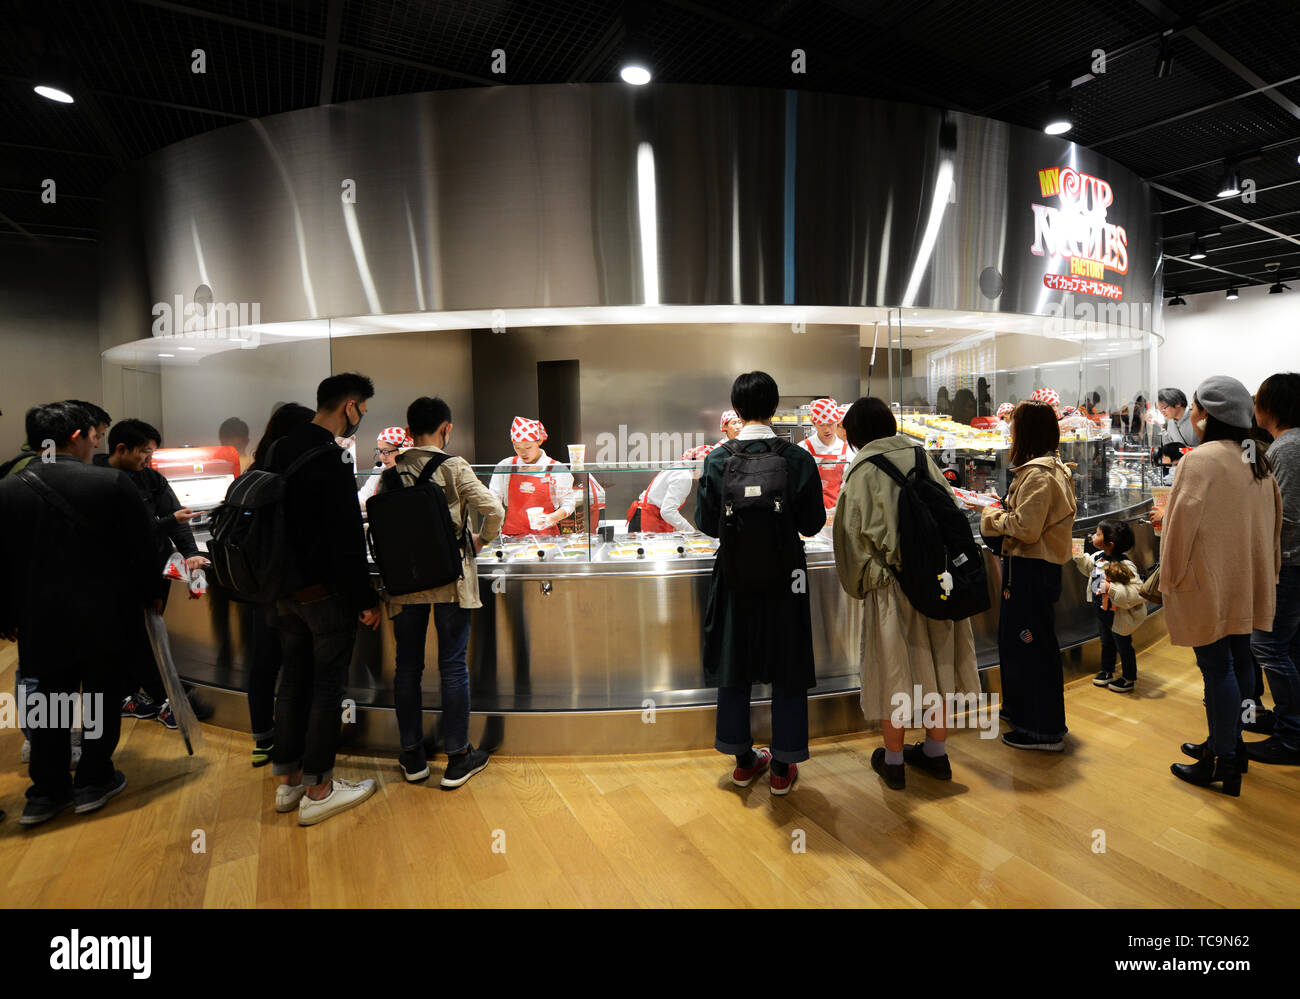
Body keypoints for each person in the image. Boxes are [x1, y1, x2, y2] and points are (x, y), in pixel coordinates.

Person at [0, 402, 157, 826]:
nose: (97, 444)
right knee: (102, 697)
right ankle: (93, 780)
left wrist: (7, 616)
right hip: (104, 615)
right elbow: (145, 553)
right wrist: (151, 600)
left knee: (47, 700)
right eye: (95, 436)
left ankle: (45, 793)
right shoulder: (111, 484)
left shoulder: (7, 490)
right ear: (77, 436)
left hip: (39, 619)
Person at [832, 397, 979, 790]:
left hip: (892, 587)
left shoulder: (861, 469)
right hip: (937, 579)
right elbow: (949, 506)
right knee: (940, 667)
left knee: (892, 671)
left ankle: (893, 761)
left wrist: (863, 581)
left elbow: (850, 539)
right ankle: (936, 754)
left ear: (855, 434)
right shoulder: (920, 454)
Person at [695, 372, 825, 795]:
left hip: (733, 575)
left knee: (735, 662)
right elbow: (812, 523)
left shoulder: (717, 458)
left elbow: (706, 524)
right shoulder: (798, 458)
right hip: (787, 576)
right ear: (774, 407)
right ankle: (784, 764)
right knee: (787, 661)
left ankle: (743, 759)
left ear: (736, 407)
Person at [269, 373, 382, 825]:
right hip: (323, 593)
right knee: (326, 686)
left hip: (282, 591)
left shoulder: (280, 447)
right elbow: (345, 540)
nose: (360, 421)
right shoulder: (331, 458)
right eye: (362, 412)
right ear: (349, 407)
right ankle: (320, 789)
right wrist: (364, 597)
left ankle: (289, 782)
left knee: (292, 680)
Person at [1163, 377, 1281, 796]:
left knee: (1217, 670)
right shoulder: (1258, 459)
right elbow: (1273, 527)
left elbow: (1179, 530)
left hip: (1208, 581)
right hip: (1246, 580)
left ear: (1207, 413)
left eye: (1195, 407)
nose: (1193, 415)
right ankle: (1228, 746)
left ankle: (1225, 761)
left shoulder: (1200, 460)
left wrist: (1170, 578)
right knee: (1240, 662)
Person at [378, 396, 504, 786]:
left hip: (405, 582)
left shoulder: (392, 470)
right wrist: (481, 541)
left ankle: (412, 754)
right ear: (446, 428)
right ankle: (457, 756)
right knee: (452, 666)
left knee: (407, 668)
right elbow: (494, 509)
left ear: (409, 428)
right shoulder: (453, 465)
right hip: (451, 581)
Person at [975, 400, 1077, 751]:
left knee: (1031, 646)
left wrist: (990, 515)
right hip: (1030, 568)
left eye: (1014, 426)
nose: (1010, 432)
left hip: (1031, 569)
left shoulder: (1039, 474)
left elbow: (1026, 528)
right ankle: (1022, 711)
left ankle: (1042, 730)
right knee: (1021, 644)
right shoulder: (1045, 469)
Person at [102, 419, 209, 727]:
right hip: (122, 577)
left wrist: (191, 553)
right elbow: (125, 534)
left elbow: (178, 518)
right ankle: (163, 698)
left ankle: (135, 696)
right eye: (144, 453)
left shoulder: (151, 478)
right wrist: (167, 521)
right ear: (121, 449)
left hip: (154, 571)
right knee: (135, 636)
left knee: (147, 634)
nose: (148, 461)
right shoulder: (103, 481)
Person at [243, 403, 315, 766]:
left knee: (264, 662)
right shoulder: (299, 469)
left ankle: (263, 738)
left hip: (259, 583)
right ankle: (295, 744)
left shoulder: (257, 469)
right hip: (296, 584)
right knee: (298, 665)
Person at [1247, 372, 1300, 765]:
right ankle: (1288, 722)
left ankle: (1293, 734)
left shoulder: (1287, 448)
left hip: (1289, 563)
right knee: (1290, 646)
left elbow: (1284, 517)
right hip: (1292, 562)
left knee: (1267, 646)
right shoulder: (1286, 445)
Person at [1072, 520, 1145, 693]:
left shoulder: (1125, 566)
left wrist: (1110, 589)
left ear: (1109, 544)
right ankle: (1107, 670)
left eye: (1097, 534)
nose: (1093, 536)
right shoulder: (1099, 557)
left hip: (1119, 615)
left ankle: (1128, 678)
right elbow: (1089, 568)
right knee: (1106, 642)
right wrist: (1079, 556)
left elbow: (1137, 591)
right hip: (1101, 611)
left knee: (1123, 646)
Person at [488, 417, 575, 537]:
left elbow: (568, 504)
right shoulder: (506, 466)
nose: (522, 453)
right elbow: (493, 497)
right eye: (517, 447)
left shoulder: (556, 469)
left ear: (539, 441)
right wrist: (495, 518)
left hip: (547, 537)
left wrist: (553, 517)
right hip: (512, 537)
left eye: (528, 447)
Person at [626, 445, 713, 532]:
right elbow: (667, 511)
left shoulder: (678, 468)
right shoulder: (683, 476)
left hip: (643, 517)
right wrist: (691, 531)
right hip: (646, 521)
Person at [798, 397, 853, 510]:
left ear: (837, 421)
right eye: (821, 425)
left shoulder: (847, 449)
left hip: (840, 509)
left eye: (830, 424)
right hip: (812, 510)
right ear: (813, 423)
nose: (826, 430)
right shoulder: (803, 449)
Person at [357, 426, 411, 506]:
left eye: (386, 451)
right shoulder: (380, 469)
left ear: (402, 450)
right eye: (379, 451)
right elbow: (364, 497)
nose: (382, 457)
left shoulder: (411, 472)